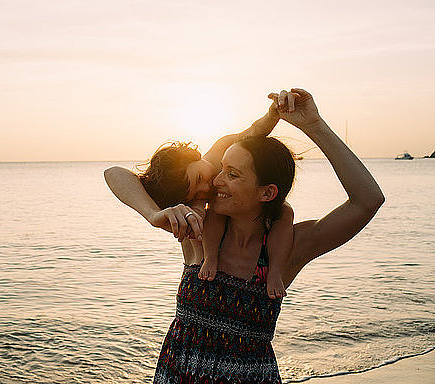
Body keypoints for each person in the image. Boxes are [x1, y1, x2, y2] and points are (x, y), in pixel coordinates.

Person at [104, 89, 385, 383]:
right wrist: (153, 214)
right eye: (221, 169)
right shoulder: (196, 229)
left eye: (233, 174)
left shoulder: (288, 248)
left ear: (267, 192)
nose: (215, 181)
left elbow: (368, 200)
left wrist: (313, 125)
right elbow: (115, 174)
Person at [106, 101, 293, 298]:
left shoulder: (221, 149)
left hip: (263, 216)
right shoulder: (200, 206)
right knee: (212, 212)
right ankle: (211, 257)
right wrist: (153, 215)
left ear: (195, 157)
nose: (206, 188)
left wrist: (273, 116)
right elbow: (113, 173)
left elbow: (255, 130)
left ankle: (275, 272)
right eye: (196, 193)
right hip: (216, 232)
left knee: (286, 211)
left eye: (199, 178)